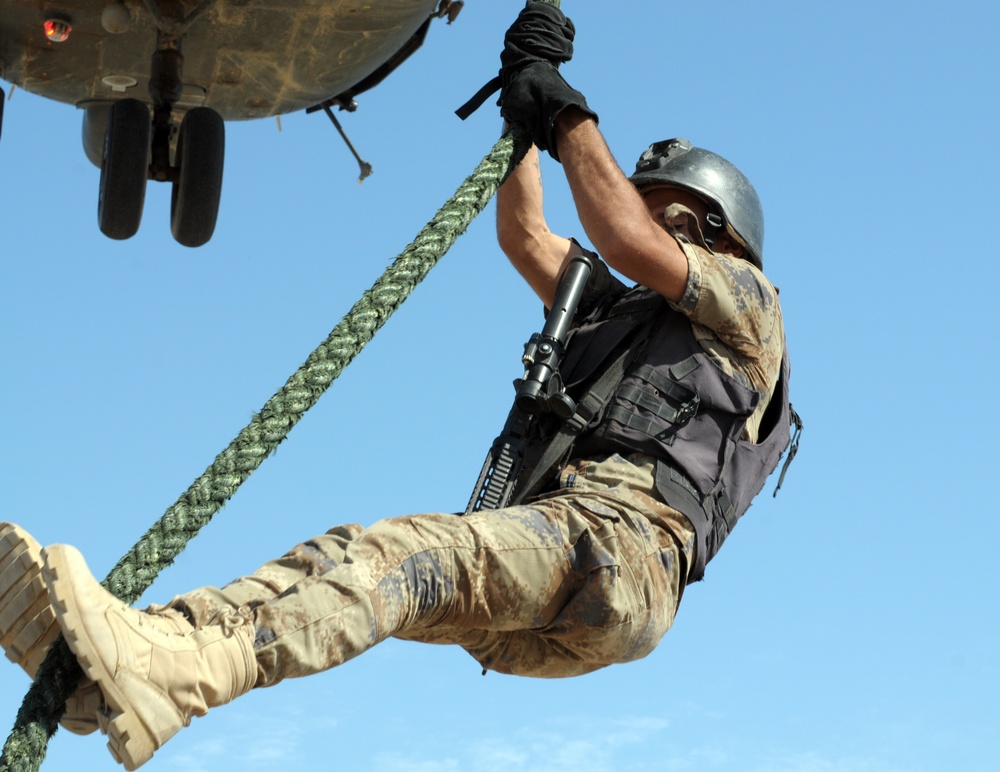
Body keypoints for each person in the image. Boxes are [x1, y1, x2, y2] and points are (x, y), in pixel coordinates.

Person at [0, 3, 794, 769]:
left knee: (396, 553)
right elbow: (524, 237)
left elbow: (622, 233)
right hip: (560, 570)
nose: (643, 222)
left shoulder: (749, 310)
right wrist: (522, 112)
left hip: (616, 554)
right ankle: (111, 670)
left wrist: (565, 112)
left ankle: (181, 675)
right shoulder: (615, 316)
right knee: (340, 560)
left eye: (669, 216)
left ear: (716, 233)